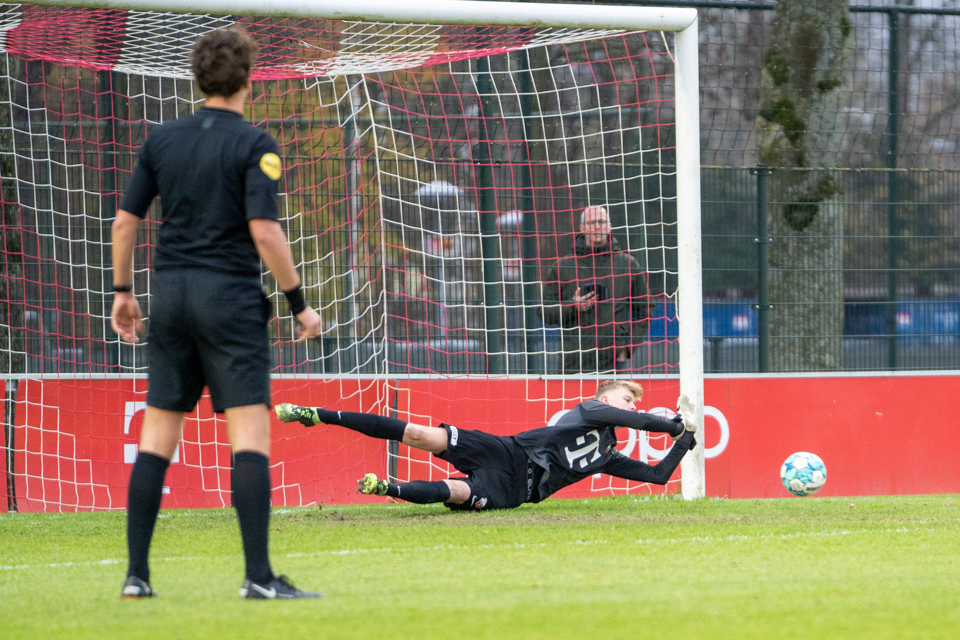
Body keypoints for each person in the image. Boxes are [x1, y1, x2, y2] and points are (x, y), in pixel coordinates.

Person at [110, 28, 323, 600]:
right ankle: (258, 578)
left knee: (158, 435)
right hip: (228, 300)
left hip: (171, 297)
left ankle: (137, 576)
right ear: (248, 79)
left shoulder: (162, 139)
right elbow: (264, 230)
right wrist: (299, 303)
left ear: (198, 77)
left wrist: (122, 291)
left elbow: (125, 222)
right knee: (249, 435)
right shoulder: (257, 144)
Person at [275, 382, 697, 511]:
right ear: (607, 399)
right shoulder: (591, 409)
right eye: (628, 397)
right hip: (507, 451)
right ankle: (320, 415)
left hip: (519, 492)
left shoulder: (607, 455)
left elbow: (658, 476)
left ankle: (387, 488)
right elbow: (632, 419)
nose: (634, 405)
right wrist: (670, 425)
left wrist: (686, 442)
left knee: (459, 492)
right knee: (422, 435)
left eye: (636, 401)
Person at [538, 205, 650, 373]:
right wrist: (573, 306)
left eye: (602, 222)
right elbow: (544, 311)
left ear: (610, 226)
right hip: (574, 359)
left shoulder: (628, 264)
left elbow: (645, 308)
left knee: (611, 400)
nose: (597, 227)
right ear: (582, 228)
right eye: (592, 223)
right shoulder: (563, 266)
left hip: (613, 359)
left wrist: (627, 347)